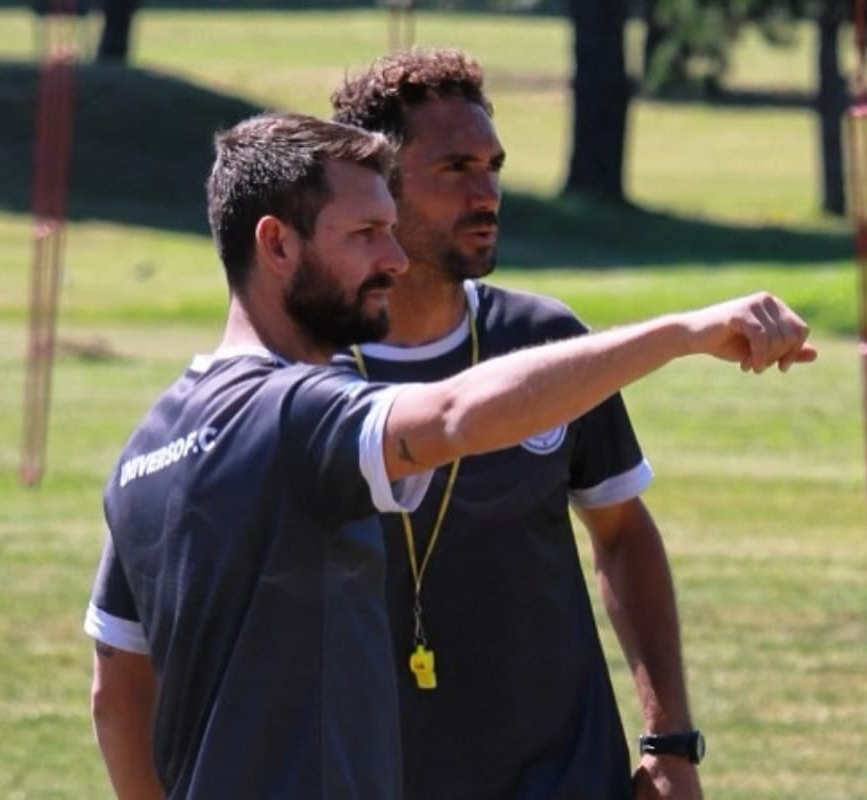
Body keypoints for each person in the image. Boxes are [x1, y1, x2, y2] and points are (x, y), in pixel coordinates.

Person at [83, 110, 816, 800]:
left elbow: (114, 698)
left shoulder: (146, 450)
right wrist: (687, 333)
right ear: (277, 244)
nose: (396, 260)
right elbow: (458, 414)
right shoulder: (290, 415)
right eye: (367, 232)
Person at [329, 48, 701, 799]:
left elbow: (624, 536)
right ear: (377, 187)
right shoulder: (301, 371)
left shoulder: (551, 345)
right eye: (455, 168)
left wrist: (669, 745)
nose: (488, 192)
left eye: (493, 165)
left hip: (565, 777)